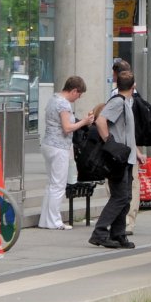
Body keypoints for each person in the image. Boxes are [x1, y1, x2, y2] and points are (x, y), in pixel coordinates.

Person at [89, 70, 145, 249]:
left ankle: (118, 234)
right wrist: (109, 142)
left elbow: (127, 132)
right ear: (134, 86)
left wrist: (135, 152)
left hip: (126, 157)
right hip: (117, 157)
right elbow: (100, 121)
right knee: (120, 197)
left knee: (125, 196)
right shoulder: (118, 102)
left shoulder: (126, 102)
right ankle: (99, 233)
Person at [39, 76, 94, 230]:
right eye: (79, 94)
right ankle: (55, 221)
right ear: (74, 90)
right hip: (59, 147)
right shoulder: (64, 104)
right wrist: (84, 122)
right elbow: (67, 127)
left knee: (51, 184)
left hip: (48, 144)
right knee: (58, 185)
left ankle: (46, 220)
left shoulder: (53, 99)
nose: (79, 97)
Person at [112, 59, 142, 236]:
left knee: (119, 187)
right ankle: (127, 221)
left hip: (120, 149)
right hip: (129, 148)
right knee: (131, 186)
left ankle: (122, 221)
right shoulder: (134, 97)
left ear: (116, 76)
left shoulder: (118, 98)